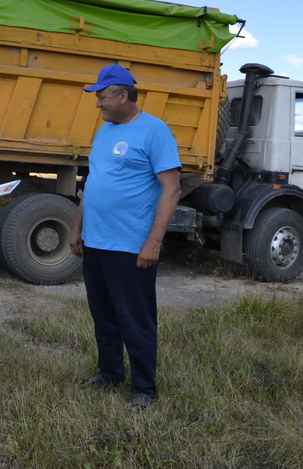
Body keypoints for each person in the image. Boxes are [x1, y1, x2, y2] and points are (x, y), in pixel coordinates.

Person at [70, 64, 181, 408]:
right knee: (103, 315)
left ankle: (144, 388)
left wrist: (153, 242)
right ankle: (110, 372)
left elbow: (172, 189)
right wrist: (77, 228)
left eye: (101, 97)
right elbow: (93, 185)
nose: (97, 104)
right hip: (96, 242)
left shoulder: (155, 131)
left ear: (122, 95)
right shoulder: (104, 132)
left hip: (130, 246)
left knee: (136, 319)